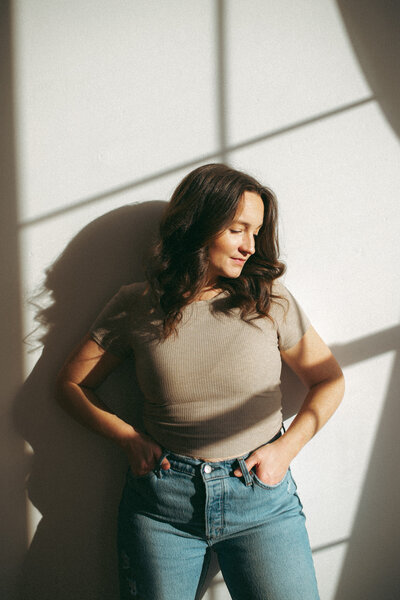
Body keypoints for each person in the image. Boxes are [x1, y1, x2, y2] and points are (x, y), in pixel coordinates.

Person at [56, 163, 345, 600]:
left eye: (257, 231)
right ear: (199, 224)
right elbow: (72, 385)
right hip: (161, 506)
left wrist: (285, 449)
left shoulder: (270, 300)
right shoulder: (136, 304)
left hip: (261, 499)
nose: (250, 246)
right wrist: (126, 438)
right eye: (237, 229)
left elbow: (329, 379)